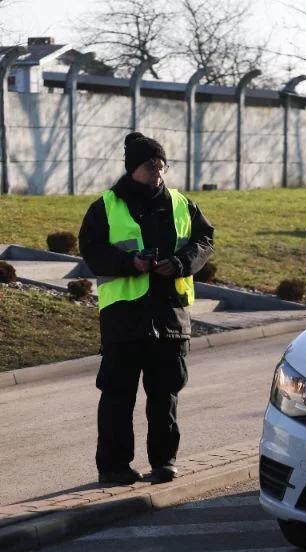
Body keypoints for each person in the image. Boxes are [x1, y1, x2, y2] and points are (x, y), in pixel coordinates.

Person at [78, 132, 215, 485]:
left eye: (161, 165)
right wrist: (130, 263)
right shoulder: (105, 206)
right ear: (133, 168)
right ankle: (113, 468)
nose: (158, 172)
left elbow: (204, 241)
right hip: (124, 317)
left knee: (165, 394)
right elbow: (91, 251)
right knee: (117, 396)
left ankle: (164, 462)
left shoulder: (182, 204)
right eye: (150, 165)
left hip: (170, 315)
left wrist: (181, 262)